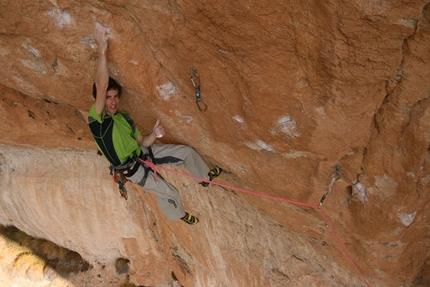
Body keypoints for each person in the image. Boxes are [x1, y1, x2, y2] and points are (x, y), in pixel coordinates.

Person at [88, 24, 221, 225]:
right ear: (100, 100)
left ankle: (203, 177)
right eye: (108, 98)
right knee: (171, 193)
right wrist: (102, 49)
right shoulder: (97, 123)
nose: (113, 102)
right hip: (132, 170)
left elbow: (143, 141)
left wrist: (155, 134)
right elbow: (101, 85)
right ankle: (180, 215)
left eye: (115, 97)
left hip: (142, 153)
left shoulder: (124, 118)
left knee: (187, 152)